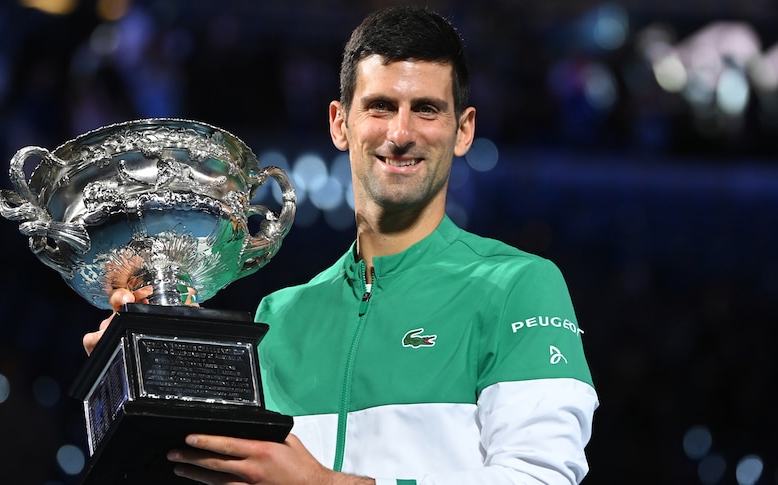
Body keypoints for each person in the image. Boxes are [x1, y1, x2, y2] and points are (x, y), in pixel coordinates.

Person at [84, 6, 598, 484]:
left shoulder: (519, 286)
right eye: (379, 106)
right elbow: (210, 465)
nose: (400, 132)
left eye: (426, 109)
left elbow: (540, 476)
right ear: (340, 123)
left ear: (463, 130)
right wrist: (151, 358)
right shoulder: (279, 317)